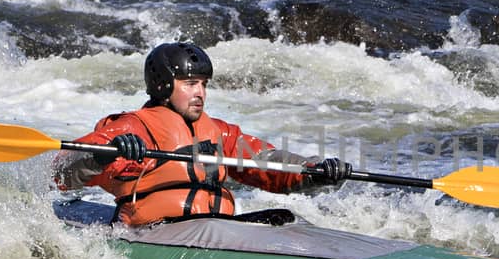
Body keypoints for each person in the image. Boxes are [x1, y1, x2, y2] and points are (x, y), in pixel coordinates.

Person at [53, 41, 351, 226]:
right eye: (190, 83)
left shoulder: (219, 132)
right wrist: (101, 156)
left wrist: (313, 171)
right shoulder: (133, 128)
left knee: (284, 219)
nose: (200, 93)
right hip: (156, 234)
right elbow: (62, 173)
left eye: (204, 84)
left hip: (216, 229)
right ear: (163, 86)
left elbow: (267, 162)